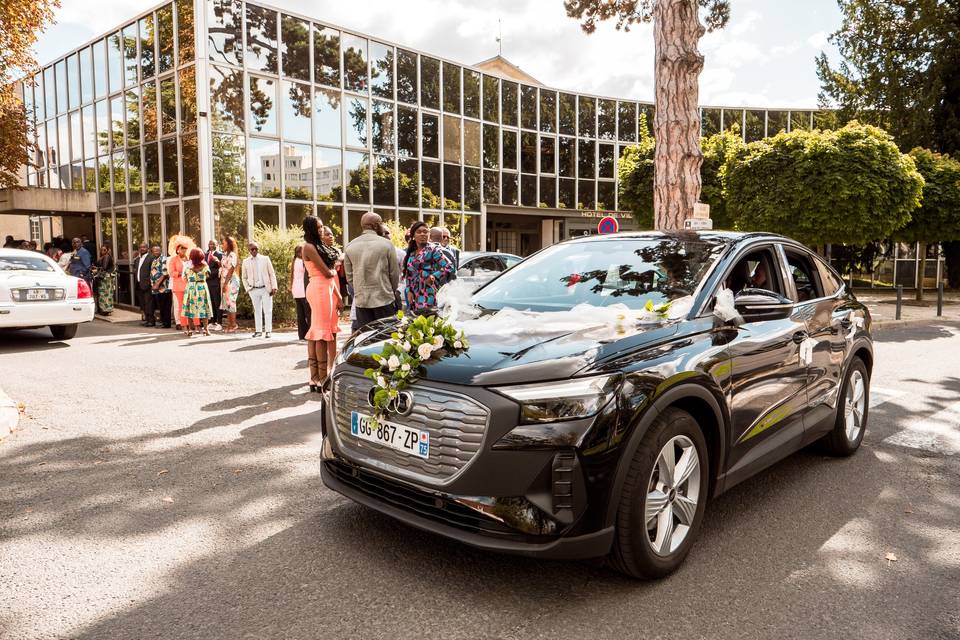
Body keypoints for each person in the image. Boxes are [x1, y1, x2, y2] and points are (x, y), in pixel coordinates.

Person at [301, 218, 343, 391]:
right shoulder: (308, 247)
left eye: (321, 227)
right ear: (311, 229)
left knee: (322, 331)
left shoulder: (318, 246)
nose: (321, 230)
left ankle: (317, 378)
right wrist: (334, 269)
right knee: (321, 333)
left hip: (327, 289)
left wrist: (339, 297)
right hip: (319, 289)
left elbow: (331, 276)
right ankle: (321, 378)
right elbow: (327, 273)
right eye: (318, 227)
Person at [343, 212, 400, 330]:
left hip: (361, 301)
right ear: (376, 225)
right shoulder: (387, 244)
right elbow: (394, 274)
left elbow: (349, 277)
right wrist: (390, 291)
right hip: (384, 298)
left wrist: (360, 289)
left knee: (366, 337)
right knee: (386, 337)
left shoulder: (350, 246)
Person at [403, 220, 454, 315]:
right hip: (413, 293)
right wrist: (409, 290)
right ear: (413, 236)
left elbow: (449, 266)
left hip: (427, 292)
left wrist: (434, 276)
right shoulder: (412, 252)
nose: (423, 234)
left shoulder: (433, 249)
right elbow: (409, 274)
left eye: (425, 231)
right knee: (415, 322)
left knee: (426, 321)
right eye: (419, 232)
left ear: (429, 234)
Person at [241, 240, 278, 338]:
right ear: (249, 250)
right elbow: (243, 277)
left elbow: (272, 274)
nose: (254, 251)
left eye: (256, 249)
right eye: (252, 249)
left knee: (268, 310)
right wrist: (248, 289)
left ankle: (268, 331)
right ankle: (258, 331)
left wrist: (274, 286)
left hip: (266, 288)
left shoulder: (265, 259)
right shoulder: (245, 262)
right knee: (257, 310)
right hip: (253, 289)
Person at [182, 248, 214, 337]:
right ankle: (206, 329)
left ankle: (191, 330)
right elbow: (207, 276)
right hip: (202, 288)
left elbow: (184, 278)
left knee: (190, 309)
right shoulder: (205, 267)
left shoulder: (188, 268)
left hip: (191, 288)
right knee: (204, 308)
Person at [167, 236, 194, 330]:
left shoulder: (189, 259)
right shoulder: (173, 259)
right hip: (178, 285)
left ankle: (189, 322)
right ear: (177, 249)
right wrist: (181, 273)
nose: (184, 250)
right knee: (178, 305)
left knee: (189, 304)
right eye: (182, 248)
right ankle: (179, 322)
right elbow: (171, 272)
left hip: (188, 285)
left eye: (185, 248)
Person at [219, 236, 240, 333]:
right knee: (227, 304)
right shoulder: (225, 255)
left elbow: (231, 270)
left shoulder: (232, 255)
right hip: (224, 280)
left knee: (231, 302)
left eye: (223, 243)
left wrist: (225, 283)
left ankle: (234, 325)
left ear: (229, 244)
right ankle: (229, 325)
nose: (222, 245)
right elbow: (224, 266)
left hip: (231, 281)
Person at [149, 245, 173, 329]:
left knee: (165, 305)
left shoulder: (164, 259)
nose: (156, 252)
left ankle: (166, 324)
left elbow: (165, 273)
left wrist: (157, 284)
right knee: (161, 305)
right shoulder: (154, 260)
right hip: (157, 288)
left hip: (164, 287)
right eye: (154, 251)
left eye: (157, 251)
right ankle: (163, 322)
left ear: (160, 251)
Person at [290, 245, 310, 341]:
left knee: (300, 314)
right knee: (308, 313)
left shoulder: (294, 261)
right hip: (303, 290)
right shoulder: (303, 262)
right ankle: (309, 333)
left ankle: (301, 335)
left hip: (296, 290)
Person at [134, 243, 155, 325]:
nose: (142, 248)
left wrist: (150, 282)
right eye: (140, 247)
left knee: (149, 303)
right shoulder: (138, 259)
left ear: (148, 248)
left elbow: (153, 271)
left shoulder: (151, 258)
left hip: (148, 284)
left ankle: (151, 321)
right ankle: (147, 319)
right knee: (143, 303)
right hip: (139, 284)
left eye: (144, 247)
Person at [205, 240, 223, 330]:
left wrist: (209, 275)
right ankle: (212, 321)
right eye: (210, 244)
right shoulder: (206, 254)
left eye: (213, 244)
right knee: (210, 302)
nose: (211, 245)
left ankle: (219, 322)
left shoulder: (220, 255)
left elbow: (221, 268)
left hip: (215, 282)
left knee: (217, 302)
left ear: (217, 245)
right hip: (207, 282)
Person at [92, 246, 116, 314]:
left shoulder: (106, 256)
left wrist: (96, 269)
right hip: (104, 277)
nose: (103, 251)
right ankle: (104, 309)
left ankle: (106, 310)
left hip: (106, 278)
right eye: (101, 250)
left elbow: (104, 267)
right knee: (104, 293)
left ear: (107, 250)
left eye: (105, 250)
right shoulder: (103, 257)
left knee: (105, 293)